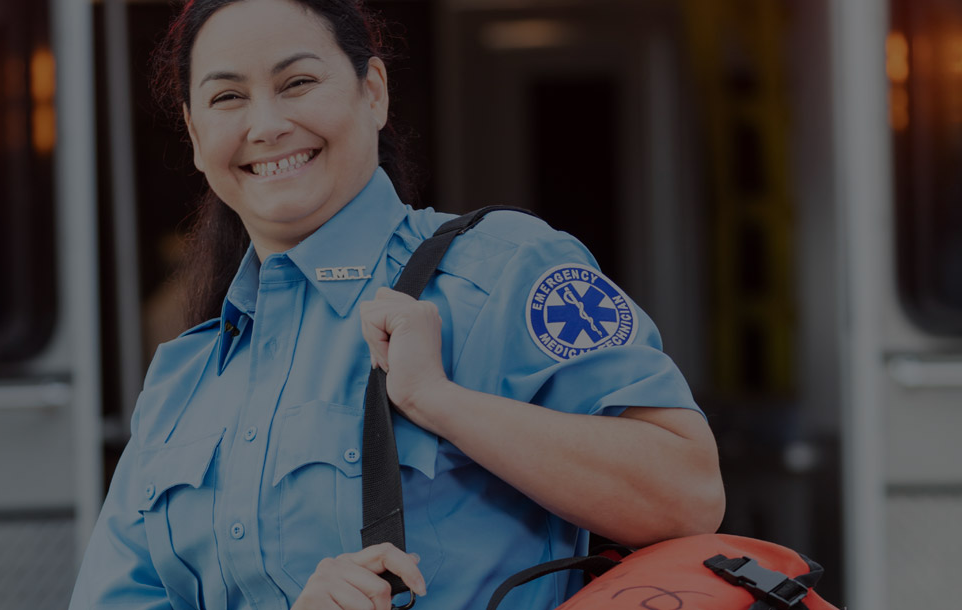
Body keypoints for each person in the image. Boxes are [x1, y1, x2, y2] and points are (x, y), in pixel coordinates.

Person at [69, 0, 725, 608]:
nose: (266, 125)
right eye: (227, 97)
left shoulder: (505, 268)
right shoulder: (185, 381)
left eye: (297, 83)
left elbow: (687, 496)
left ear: (372, 92)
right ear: (193, 131)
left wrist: (440, 402)